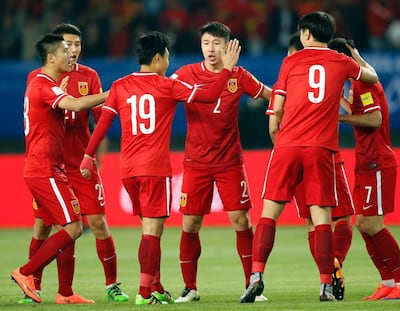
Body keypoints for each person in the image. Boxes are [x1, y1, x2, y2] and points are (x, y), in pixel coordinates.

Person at [79, 31, 241, 305]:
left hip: (127, 169)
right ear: (157, 58)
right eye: (167, 55)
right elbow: (211, 94)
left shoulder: (119, 85)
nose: (168, 61)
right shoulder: (166, 86)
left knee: (147, 230)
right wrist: (227, 69)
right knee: (152, 233)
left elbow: (103, 123)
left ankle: (155, 286)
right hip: (154, 168)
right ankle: (144, 292)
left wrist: (87, 156)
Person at [240, 11, 378, 303]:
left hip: (287, 146)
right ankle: (326, 285)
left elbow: (276, 107)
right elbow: (372, 77)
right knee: (322, 219)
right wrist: (356, 57)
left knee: (268, 215)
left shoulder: (290, 61)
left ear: (305, 34)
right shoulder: (342, 62)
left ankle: (256, 276)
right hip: (321, 148)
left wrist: (280, 137)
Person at [18, 23, 128, 304]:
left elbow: (101, 117)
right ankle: (30, 279)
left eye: (76, 45)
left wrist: (93, 155)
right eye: (67, 47)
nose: (73, 51)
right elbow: (74, 106)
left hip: (75, 163)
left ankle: (77, 290)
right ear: (53, 54)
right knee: (53, 226)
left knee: (92, 223)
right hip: (48, 167)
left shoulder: (87, 75)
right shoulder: (41, 80)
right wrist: (116, 92)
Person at [170, 21, 272, 303]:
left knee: (241, 220)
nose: (211, 49)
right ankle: (190, 287)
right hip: (196, 162)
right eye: (206, 43)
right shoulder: (186, 73)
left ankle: (250, 285)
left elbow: (270, 95)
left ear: (228, 46)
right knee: (190, 223)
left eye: (216, 43)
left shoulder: (239, 75)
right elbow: (164, 92)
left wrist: (299, 101)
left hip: (229, 162)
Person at [271, 32, 354, 301]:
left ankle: (326, 271)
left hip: (289, 155)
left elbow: (274, 125)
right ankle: (334, 264)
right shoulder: (329, 72)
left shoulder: (287, 80)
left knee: (310, 221)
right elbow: (350, 112)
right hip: (324, 155)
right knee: (340, 219)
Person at [331, 37, 400, 300]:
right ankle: (388, 282)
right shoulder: (358, 81)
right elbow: (358, 107)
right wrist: (339, 101)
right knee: (363, 224)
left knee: (372, 225)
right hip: (366, 161)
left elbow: (374, 119)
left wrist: (340, 117)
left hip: (378, 162)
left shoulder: (363, 81)